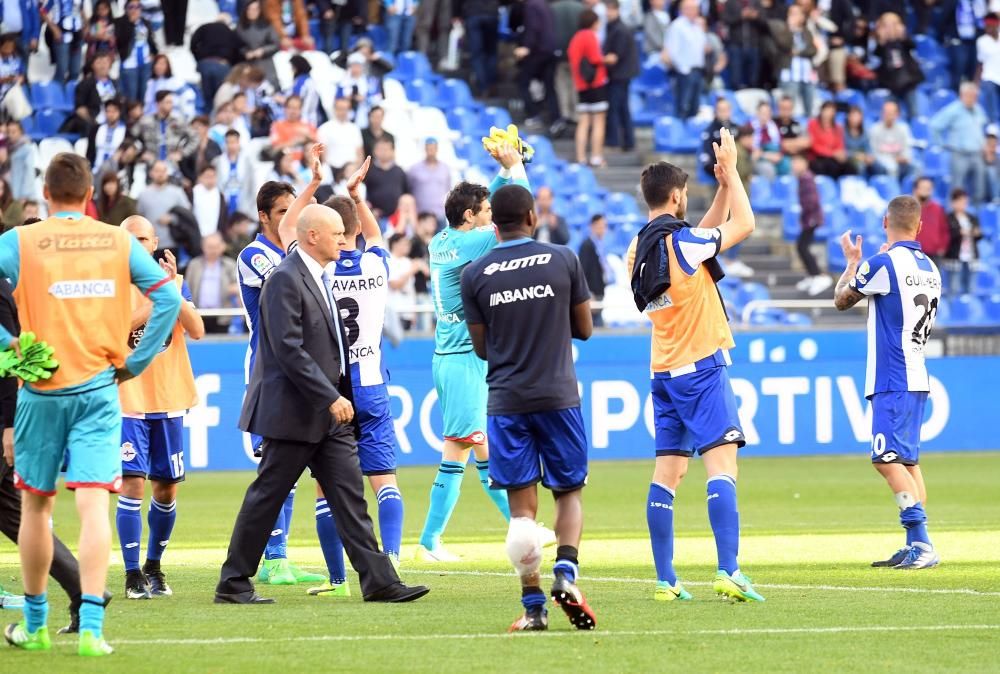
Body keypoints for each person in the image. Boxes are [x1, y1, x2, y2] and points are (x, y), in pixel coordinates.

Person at [0, 152, 181, 655]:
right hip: (100, 388)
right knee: (94, 503)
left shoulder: (21, 240)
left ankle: (36, 625)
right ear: (89, 196)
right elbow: (167, 298)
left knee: (36, 505)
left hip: (41, 389)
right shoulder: (116, 241)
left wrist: (7, 346)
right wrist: (136, 362)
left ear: (45, 195)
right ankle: (93, 631)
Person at [216, 200, 428, 605]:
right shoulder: (285, 279)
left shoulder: (319, 275)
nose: (343, 240)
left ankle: (380, 581)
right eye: (336, 234)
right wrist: (330, 396)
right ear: (312, 236)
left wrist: (338, 396)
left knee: (350, 498)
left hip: (328, 414)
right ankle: (233, 582)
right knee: (267, 497)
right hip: (293, 413)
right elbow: (288, 349)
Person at [627, 128, 764, 603]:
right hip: (701, 369)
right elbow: (744, 224)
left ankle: (665, 580)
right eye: (685, 195)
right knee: (722, 467)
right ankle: (729, 570)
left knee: (667, 475)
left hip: (663, 372)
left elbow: (697, 239)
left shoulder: (639, 249)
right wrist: (736, 174)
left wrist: (722, 187)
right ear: (676, 196)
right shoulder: (682, 244)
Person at [460, 183, 595, 632]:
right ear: (532, 218)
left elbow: (482, 349)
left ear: (494, 226)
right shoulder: (564, 258)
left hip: (507, 401)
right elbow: (584, 329)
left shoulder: (475, 274)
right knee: (568, 492)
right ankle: (567, 572)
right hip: (558, 396)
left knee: (522, 512)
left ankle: (534, 608)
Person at [417, 143, 554, 562]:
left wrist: (504, 171)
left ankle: (438, 540)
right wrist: (516, 170)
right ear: (469, 217)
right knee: (473, 450)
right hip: (461, 361)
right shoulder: (473, 244)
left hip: (457, 357)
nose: (491, 213)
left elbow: (493, 204)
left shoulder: (443, 240)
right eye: (484, 210)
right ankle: (515, 528)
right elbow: (516, 216)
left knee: (473, 451)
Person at [307, 166, 409, 594]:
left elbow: (294, 237)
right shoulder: (376, 263)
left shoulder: (321, 271)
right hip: (373, 384)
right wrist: (357, 195)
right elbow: (376, 235)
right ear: (356, 229)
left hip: (334, 389)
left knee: (324, 488)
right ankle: (392, 564)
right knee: (385, 480)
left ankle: (337, 579)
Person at [235, 148, 334, 587]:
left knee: (295, 470)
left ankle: (278, 557)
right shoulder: (255, 256)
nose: (288, 218)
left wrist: (312, 185)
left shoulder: (300, 256)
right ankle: (271, 558)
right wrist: (312, 187)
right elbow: (289, 278)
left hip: (302, 370)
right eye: (281, 212)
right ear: (264, 216)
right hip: (270, 371)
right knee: (277, 469)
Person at [833, 197, 942, 570]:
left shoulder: (883, 264)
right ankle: (915, 544)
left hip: (892, 376)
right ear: (920, 226)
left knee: (885, 458)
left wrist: (853, 263)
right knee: (907, 462)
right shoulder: (931, 268)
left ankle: (922, 542)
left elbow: (841, 301)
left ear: (885, 222)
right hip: (917, 373)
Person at [0, 277, 105, 633]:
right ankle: (83, 590)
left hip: (5, 421)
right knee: (17, 518)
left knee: (26, 515)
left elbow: (9, 361)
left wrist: (9, 425)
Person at [116, 217, 204, 600]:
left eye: (142, 239)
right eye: (128, 238)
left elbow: (196, 329)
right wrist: (157, 300)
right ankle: (132, 573)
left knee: (166, 490)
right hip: (128, 397)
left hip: (168, 398)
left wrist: (172, 292)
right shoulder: (111, 285)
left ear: (154, 243)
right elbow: (113, 330)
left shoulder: (173, 282)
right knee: (133, 482)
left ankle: (154, 566)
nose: (136, 244)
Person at [930, 82, 988, 203]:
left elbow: (983, 128)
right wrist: (942, 144)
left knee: (980, 187)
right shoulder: (953, 110)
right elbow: (935, 125)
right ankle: (953, 213)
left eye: (974, 96)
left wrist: (984, 145)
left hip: (977, 153)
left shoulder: (978, 109)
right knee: (957, 187)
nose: (972, 99)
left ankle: (975, 212)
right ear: (962, 95)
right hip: (960, 153)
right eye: (969, 95)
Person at [567, 9, 609, 167]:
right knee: (599, 121)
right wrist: (607, 59)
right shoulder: (590, 35)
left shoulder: (575, 37)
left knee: (583, 121)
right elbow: (595, 58)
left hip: (581, 85)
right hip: (595, 84)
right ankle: (596, 157)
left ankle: (581, 157)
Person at [513, 0, 560, 131]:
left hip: (537, 51)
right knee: (549, 87)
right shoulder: (544, 4)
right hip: (550, 50)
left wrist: (527, 47)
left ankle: (534, 115)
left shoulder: (531, 5)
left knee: (523, 82)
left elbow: (533, 28)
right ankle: (556, 119)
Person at [792, 154, 831, 296]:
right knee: (802, 247)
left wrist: (809, 217)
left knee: (802, 247)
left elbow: (812, 201)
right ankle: (812, 275)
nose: (794, 166)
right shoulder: (803, 178)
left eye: (797, 162)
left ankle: (818, 275)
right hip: (809, 218)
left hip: (811, 218)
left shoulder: (806, 178)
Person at [603, 0, 638, 153]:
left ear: (617, 10)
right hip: (620, 75)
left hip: (619, 75)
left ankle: (614, 141)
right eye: (607, 9)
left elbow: (615, 56)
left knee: (616, 109)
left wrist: (595, 59)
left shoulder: (620, 30)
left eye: (611, 10)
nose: (608, 13)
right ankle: (628, 142)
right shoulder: (613, 27)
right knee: (622, 109)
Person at [873, 12, 923, 119]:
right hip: (890, 84)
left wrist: (902, 36)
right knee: (889, 114)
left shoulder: (904, 42)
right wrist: (881, 40)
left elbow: (912, 46)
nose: (890, 28)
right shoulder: (880, 45)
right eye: (886, 25)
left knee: (914, 113)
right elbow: (876, 56)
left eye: (893, 24)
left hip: (908, 82)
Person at [187, 232, 239, 332]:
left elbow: (239, 286)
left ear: (223, 247)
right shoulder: (194, 265)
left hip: (222, 315)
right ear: (203, 247)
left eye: (216, 247)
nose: (213, 250)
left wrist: (234, 288)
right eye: (210, 247)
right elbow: (187, 288)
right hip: (198, 314)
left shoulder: (230, 265)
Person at [136, 160, 191, 254]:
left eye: (163, 171)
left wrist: (172, 219)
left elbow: (187, 215)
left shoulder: (177, 192)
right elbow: (139, 218)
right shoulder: (143, 194)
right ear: (151, 173)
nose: (161, 174)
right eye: (157, 171)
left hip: (173, 244)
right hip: (150, 245)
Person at [190, 13, 242, 108]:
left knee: (207, 95)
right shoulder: (230, 32)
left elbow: (193, 43)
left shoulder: (204, 27)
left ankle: (207, 113)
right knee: (221, 97)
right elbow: (238, 51)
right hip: (223, 64)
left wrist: (199, 59)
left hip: (205, 64)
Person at [664, 0, 705, 121]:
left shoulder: (697, 25)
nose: (694, 11)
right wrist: (683, 69)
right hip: (685, 72)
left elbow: (702, 46)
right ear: (683, 10)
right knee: (683, 106)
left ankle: (692, 132)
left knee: (695, 106)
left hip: (698, 70)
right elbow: (672, 51)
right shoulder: (677, 26)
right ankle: (679, 131)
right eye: (691, 8)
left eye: (696, 8)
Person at [778, 4, 818, 117]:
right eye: (792, 14)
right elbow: (783, 45)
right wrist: (790, 28)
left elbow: (813, 50)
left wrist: (798, 52)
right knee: (789, 108)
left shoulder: (806, 32)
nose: (794, 16)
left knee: (810, 109)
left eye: (797, 14)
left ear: (802, 17)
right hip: (790, 75)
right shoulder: (783, 30)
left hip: (807, 75)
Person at [115, 1, 158, 103]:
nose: (135, 10)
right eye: (131, 7)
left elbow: (150, 40)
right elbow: (121, 41)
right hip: (129, 63)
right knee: (131, 96)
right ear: (126, 9)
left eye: (138, 7)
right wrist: (131, 24)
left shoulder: (145, 22)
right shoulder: (120, 22)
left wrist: (154, 53)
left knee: (144, 94)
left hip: (145, 63)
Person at [454, 0, 499, 96]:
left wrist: (456, 14)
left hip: (473, 13)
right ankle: (491, 84)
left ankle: (484, 86)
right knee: (491, 53)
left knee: (477, 55)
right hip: (491, 14)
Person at [138, 91, 193, 167]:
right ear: (158, 104)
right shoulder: (145, 121)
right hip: (150, 163)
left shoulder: (178, 121)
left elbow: (194, 137)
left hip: (171, 164)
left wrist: (182, 153)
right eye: (168, 102)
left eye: (171, 102)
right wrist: (141, 152)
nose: (171, 105)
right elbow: (132, 137)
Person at [944, 188, 983, 294]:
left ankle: (970, 303)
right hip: (954, 255)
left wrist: (977, 233)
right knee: (954, 288)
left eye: (965, 202)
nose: (963, 204)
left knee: (971, 287)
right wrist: (959, 232)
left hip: (971, 255)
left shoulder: (972, 217)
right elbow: (946, 235)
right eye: (960, 201)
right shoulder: (948, 218)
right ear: (953, 202)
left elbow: (979, 235)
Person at [236, 2, 280, 87]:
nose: (252, 12)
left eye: (255, 9)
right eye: (249, 9)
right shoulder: (240, 27)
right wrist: (245, 52)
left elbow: (276, 44)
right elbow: (237, 45)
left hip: (265, 64)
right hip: (248, 64)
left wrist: (263, 50)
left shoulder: (267, 25)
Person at [214, 130, 257, 218]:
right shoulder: (217, 162)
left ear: (238, 143)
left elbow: (252, 185)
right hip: (223, 204)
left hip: (243, 203)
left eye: (233, 142)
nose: (231, 146)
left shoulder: (247, 162)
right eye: (228, 142)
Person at [407, 138, 452, 221]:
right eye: (428, 148)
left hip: (439, 214)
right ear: (425, 149)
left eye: (433, 148)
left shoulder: (445, 168)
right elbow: (409, 188)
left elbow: (447, 188)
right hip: (421, 214)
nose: (431, 151)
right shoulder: (415, 169)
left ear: (437, 149)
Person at [578, 214, 610, 326]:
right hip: (592, 294)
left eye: (604, 226)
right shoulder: (587, 246)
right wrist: (588, 293)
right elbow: (583, 271)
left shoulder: (599, 245)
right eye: (600, 226)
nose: (603, 229)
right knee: (595, 325)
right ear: (593, 226)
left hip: (599, 291)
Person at [869, 100, 915, 179]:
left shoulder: (904, 128)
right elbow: (873, 152)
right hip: (882, 163)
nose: (888, 116)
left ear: (897, 114)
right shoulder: (874, 129)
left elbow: (907, 148)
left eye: (891, 113)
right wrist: (891, 159)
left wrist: (904, 157)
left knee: (916, 166)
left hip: (901, 161)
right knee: (890, 167)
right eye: (886, 112)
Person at [364, 138, 409, 219]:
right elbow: (364, 192)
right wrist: (371, 210)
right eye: (380, 149)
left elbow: (406, 193)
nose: (384, 152)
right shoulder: (368, 170)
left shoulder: (399, 171)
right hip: (374, 217)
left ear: (392, 151)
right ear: (374, 151)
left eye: (386, 149)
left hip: (397, 218)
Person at [808, 101, 854, 177]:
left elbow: (840, 145)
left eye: (831, 111)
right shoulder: (813, 124)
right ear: (821, 111)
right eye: (827, 110)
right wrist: (832, 153)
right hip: (818, 158)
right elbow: (814, 145)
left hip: (833, 158)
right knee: (831, 167)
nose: (828, 114)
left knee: (850, 167)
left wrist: (840, 154)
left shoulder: (838, 128)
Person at [318, 97, 364, 174]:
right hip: (332, 170)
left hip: (352, 171)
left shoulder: (355, 128)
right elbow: (322, 154)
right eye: (340, 109)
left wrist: (357, 170)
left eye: (345, 109)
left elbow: (360, 153)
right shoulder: (324, 128)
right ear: (334, 109)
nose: (343, 112)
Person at [912, 176, 951, 264]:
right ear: (915, 189)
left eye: (928, 189)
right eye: (923, 188)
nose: (926, 191)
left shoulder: (938, 209)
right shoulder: (908, 208)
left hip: (934, 256)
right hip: (912, 254)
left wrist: (942, 248)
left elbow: (944, 230)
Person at [269, 95, 318, 160]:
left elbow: (320, 146)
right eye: (290, 107)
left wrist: (308, 136)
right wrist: (294, 142)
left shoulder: (308, 126)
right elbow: (275, 149)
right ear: (285, 109)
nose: (292, 111)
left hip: (306, 163)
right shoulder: (277, 126)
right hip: (287, 162)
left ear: (300, 110)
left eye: (296, 108)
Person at [86, 99, 127, 174]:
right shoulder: (96, 129)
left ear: (119, 112)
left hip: (117, 171)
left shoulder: (126, 131)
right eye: (108, 111)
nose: (111, 114)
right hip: (96, 169)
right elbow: (90, 152)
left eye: (114, 111)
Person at [701, 98, 738, 178]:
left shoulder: (736, 128)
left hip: (735, 162)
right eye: (721, 110)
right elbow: (707, 150)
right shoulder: (710, 130)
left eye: (726, 110)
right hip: (718, 162)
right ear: (716, 112)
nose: (724, 113)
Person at [6, 120, 38, 200]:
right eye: (8, 132)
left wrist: (24, 195)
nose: (10, 135)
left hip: (23, 196)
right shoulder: (7, 148)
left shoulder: (27, 149)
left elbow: (29, 174)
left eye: (13, 132)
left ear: (21, 132)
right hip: (10, 194)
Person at [192, 165, 226, 236]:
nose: (211, 180)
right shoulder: (192, 193)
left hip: (214, 235)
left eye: (213, 176)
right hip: (196, 235)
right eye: (207, 176)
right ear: (200, 177)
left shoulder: (220, 196)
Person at [978, 13, 1000, 122]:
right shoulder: (981, 41)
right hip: (989, 77)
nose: (988, 29)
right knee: (992, 106)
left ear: (996, 25)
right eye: (986, 26)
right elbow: (980, 63)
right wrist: (976, 81)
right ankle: (993, 124)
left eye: (990, 26)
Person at [844, 105, 878, 176]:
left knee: (877, 165)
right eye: (854, 116)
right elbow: (842, 151)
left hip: (863, 158)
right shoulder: (842, 132)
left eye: (858, 116)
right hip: (849, 160)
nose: (856, 119)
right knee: (860, 166)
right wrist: (855, 155)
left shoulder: (865, 132)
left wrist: (869, 156)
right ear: (848, 117)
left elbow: (868, 148)